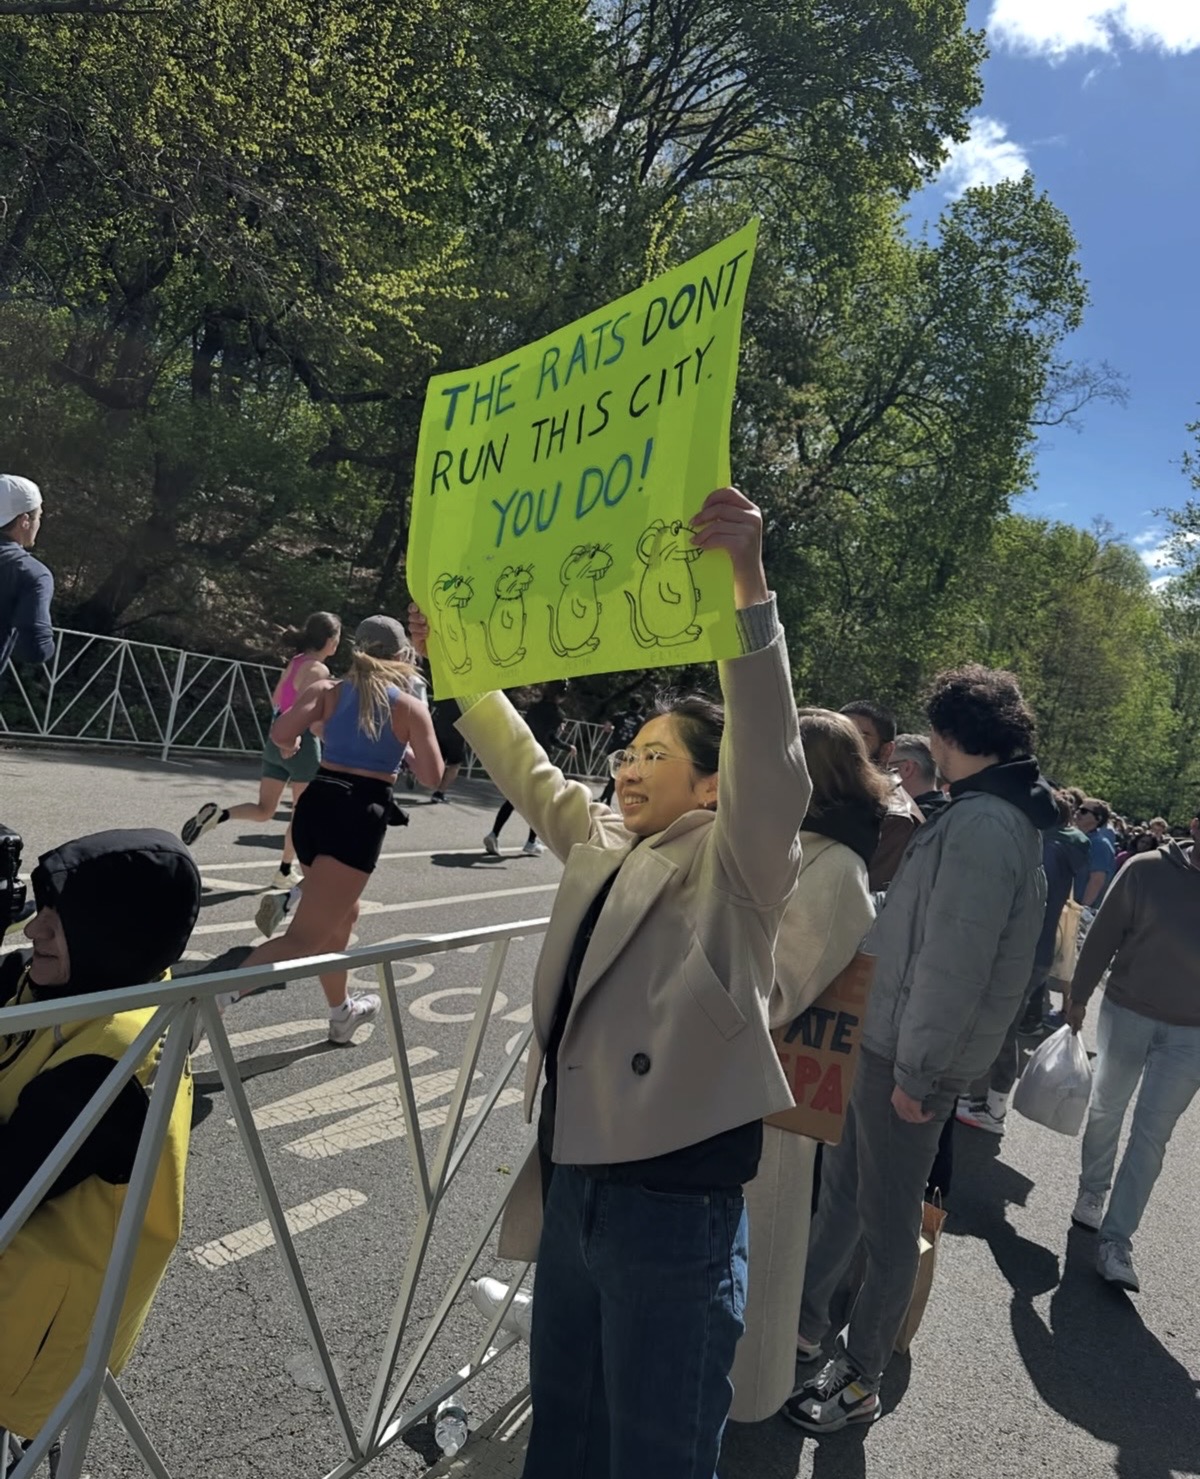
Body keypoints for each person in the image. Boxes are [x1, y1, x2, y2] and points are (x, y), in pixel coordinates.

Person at [410, 486, 810, 1479]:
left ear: (713, 782)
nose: (628, 768)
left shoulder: (741, 862)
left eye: (654, 756)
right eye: (628, 753)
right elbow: (526, 767)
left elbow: (774, 760)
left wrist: (748, 587)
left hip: (674, 1203)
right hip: (576, 1177)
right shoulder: (605, 841)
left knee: (654, 1454)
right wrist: (457, 663)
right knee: (566, 1433)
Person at [788, 664, 1055, 1434]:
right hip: (894, 1041)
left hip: (907, 1054)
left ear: (946, 734)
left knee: (884, 1220)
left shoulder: (983, 824)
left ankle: (860, 1374)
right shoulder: (993, 813)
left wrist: (921, 1071)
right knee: (848, 1193)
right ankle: (805, 1323)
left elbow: (953, 964)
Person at [0, 829, 200, 1444]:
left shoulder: (116, 1054)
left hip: (35, 1319)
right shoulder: (97, 980)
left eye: (58, 920)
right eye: (41, 908)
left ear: (112, 933)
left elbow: (6, 1186)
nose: (33, 930)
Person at [729, 709, 883, 1424]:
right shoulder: (787, 844)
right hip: (726, 1082)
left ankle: (736, 1391)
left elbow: (781, 991)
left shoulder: (838, 867)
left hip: (768, 1094)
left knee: (752, 1254)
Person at [220, 616, 442, 1043]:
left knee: (345, 914)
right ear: (401, 657)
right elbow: (432, 776)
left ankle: (342, 1013)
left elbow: (281, 731)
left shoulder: (328, 691)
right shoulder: (408, 706)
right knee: (302, 939)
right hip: (358, 814)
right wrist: (403, 749)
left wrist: (296, 742)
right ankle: (207, 1007)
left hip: (316, 803)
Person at [1065, 807, 1200, 1292]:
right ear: (1196, 828)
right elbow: (1104, 934)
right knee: (1107, 1107)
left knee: (1153, 1134)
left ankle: (1117, 1240)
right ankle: (1092, 1190)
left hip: (1191, 1034)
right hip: (1127, 1012)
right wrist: (1078, 996)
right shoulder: (1146, 870)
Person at [957, 790, 1090, 1133]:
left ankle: (986, 1105)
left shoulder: (1044, 846)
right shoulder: (1063, 846)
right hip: (1037, 952)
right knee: (1001, 1026)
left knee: (995, 1027)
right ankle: (988, 1102)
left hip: (1020, 950)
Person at [181, 612, 342, 888]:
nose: (337, 643)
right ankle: (284, 870)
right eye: (337, 638)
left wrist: (281, 737)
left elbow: (277, 700)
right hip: (300, 744)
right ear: (329, 641)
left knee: (265, 809)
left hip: (275, 738)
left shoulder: (296, 662)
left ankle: (220, 815)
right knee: (301, 814)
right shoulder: (319, 669)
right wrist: (299, 738)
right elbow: (307, 710)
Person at [483, 682, 576, 857]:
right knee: (539, 802)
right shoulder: (558, 714)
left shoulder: (534, 707)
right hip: (541, 759)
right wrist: (568, 746)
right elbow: (550, 738)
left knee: (512, 798)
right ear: (561, 696)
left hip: (524, 752)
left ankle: (494, 834)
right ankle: (531, 842)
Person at [840, 701, 920, 891]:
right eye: (840, 734)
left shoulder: (896, 817)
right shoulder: (841, 794)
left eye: (860, 737)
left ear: (886, 750)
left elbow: (864, 894)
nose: (845, 744)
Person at [0, 474, 54, 674]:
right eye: (38, 516)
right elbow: (35, 650)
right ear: (24, 521)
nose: (39, 523)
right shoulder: (32, 573)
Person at [598, 695, 646, 806]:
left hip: (614, 748)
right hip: (628, 752)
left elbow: (606, 727)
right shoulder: (641, 721)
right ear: (640, 708)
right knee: (615, 776)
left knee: (614, 776)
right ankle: (606, 799)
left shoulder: (619, 716)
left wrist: (614, 730)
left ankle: (605, 798)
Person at [891, 733, 948, 819]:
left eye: (885, 766)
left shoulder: (905, 820)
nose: (879, 774)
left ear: (907, 768)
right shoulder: (954, 812)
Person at [1074, 798, 1117, 909]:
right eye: (1078, 809)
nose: (1077, 813)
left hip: (1081, 908)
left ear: (1098, 818)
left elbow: (1097, 880)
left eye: (1083, 811)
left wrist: (1082, 909)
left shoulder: (1099, 844)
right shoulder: (1078, 838)